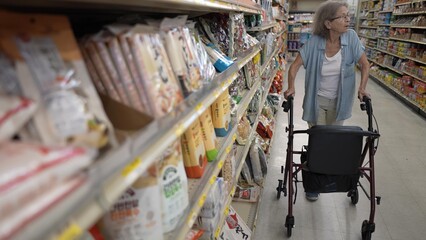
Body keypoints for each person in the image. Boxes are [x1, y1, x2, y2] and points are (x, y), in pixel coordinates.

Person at [284, 0, 370, 201]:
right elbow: (294, 67)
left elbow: (365, 65)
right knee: (318, 141)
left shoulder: (352, 38)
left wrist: (362, 87)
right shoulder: (314, 42)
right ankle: (314, 184)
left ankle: (329, 178)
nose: (348, 19)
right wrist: (291, 86)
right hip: (317, 101)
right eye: (343, 16)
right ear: (328, 23)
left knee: (333, 142)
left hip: (340, 103)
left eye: (348, 16)